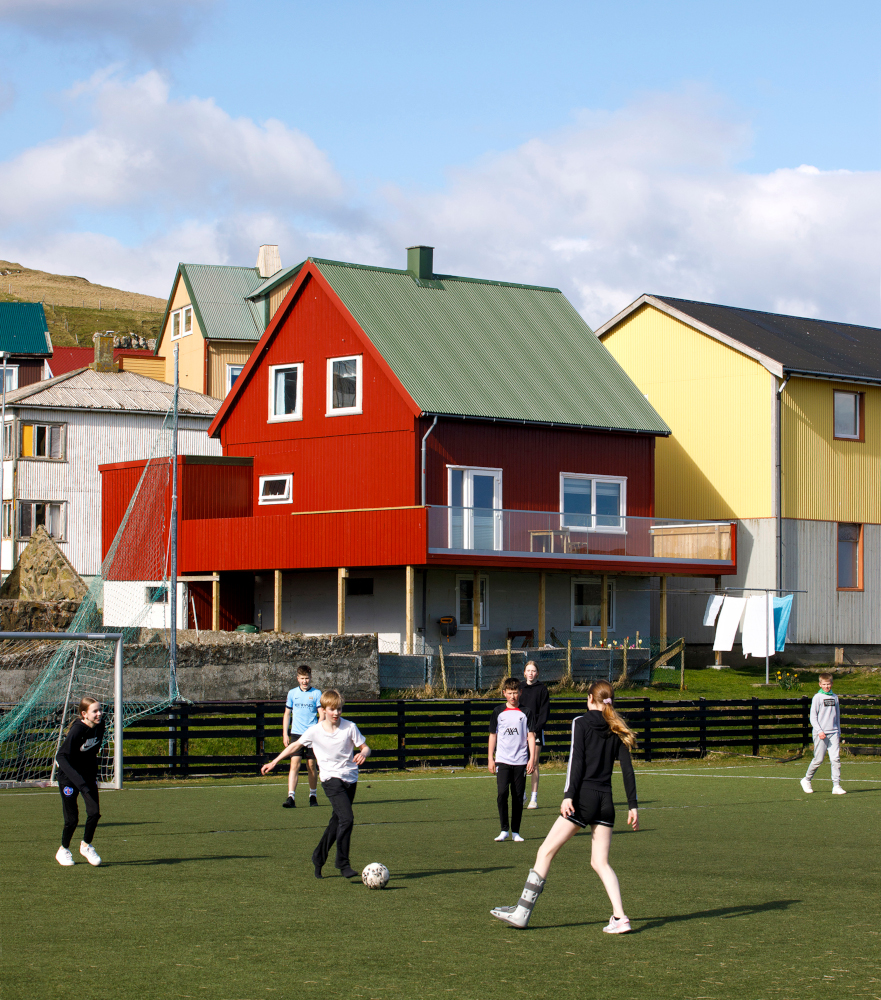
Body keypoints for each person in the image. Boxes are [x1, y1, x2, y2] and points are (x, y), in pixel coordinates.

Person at [490, 679, 638, 934]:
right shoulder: (617, 726)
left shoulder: (579, 722)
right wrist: (633, 806)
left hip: (583, 799)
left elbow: (576, 762)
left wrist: (568, 795)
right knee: (600, 862)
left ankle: (522, 913)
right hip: (606, 802)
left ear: (590, 698)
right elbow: (627, 769)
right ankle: (620, 917)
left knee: (545, 851)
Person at [261, 689, 370, 879]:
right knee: (347, 818)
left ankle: (318, 858)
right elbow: (295, 746)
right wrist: (274, 762)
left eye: (339, 710)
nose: (336, 713)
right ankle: (343, 863)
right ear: (324, 710)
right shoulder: (315, 731)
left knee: (336, 822)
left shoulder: (350, 727)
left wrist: (364, 753)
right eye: (332, 709)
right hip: (330, 779)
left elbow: (365, 747)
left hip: (350, 778)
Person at [54, 696, 105, 867]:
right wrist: (78, 781)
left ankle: (86, 846)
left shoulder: (100, 726)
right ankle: (63, 850)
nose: (99, 713)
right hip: (69, 779)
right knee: (72, 820)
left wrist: (90, 775)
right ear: (84, 714)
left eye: (100, 710)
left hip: (87, 777)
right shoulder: (77, 730)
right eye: (95, 711)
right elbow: (60, 756)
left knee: (94, 812)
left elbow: (92, 752)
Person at [488, 677, 536, 843]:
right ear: (504, 693)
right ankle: (504, 830)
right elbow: (493, 735)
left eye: (515, 692)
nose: (513, 696)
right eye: (510, 693)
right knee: (502, 793)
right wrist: (490, 758)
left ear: (520, 693)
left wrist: (531, 759)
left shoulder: (527, 712)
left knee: (517, 796)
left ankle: (515, 831)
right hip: (502, 760)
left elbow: (531, 735)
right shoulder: (498, 712)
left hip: (520, 760)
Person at [281, 665, 323, 808]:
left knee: (311, 765)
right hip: (296, 734)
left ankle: (313, 796)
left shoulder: (317, 693)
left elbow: (322, 714)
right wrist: (285, 733)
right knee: (295, 764)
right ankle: (291, 797)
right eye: (302, 678)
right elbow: (287, 714)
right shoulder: (292, 693)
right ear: (297, 678)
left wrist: (317, 729)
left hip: (311, 734)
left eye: (307, 678)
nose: (305, 681)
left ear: (310, 678)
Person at [801, 672, 846, 795]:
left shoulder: (835, 697)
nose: (827, 687)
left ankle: (836, 785)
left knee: (835, 759)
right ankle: (807, 779)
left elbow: (837, 716)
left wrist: (838, 731)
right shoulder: (817, 697)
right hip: (821, 733)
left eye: (829, 684)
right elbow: (813, 717)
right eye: (824, 684)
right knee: (818, 759)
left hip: (834, 732)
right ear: (820, 684)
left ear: (832, 683)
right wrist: (820, 731)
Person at [518, 661, 550, 809]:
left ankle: (533, 798)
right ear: (524, 673)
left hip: (535, 731)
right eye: (528, 670)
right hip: (521, 731)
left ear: (537, 673)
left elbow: (544, 712)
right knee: (520, 764)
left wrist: (536, 729)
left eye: (533, 670)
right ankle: (522, 794)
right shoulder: (520, 688)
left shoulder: (542, 689)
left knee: (534, 764)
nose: (530, 673)